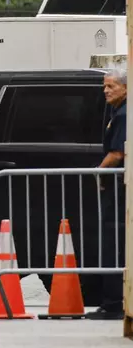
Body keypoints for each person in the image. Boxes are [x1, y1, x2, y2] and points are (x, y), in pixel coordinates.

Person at [87, 68, 127, 320]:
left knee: (113, 244)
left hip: (120, 189)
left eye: (111, 86)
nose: (105, 90)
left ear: (125, 87)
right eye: (104, 86)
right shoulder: (117, 111)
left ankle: (113, 303)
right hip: (119, 188)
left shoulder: (124, 114)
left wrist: (99, 173)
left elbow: (117, 153)